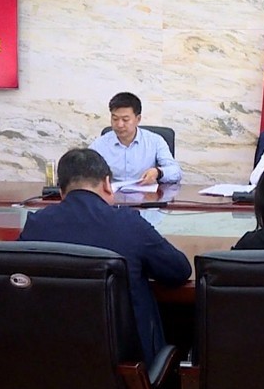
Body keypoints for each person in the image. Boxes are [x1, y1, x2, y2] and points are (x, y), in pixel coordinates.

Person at [18, 148, 191, 365]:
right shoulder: (128, 223)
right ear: (108, 184)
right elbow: (179, 271)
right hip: (127, 370)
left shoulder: (36, 225)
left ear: (61, 191)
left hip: (55, 365)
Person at [89, 92, 182, 184]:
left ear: (138, 119)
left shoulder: (155, 141)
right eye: (115, 119)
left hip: (145, 192)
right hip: (111, 193)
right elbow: (84, 171)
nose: (119, 125)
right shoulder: (100, 144)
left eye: (125, 119)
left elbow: (176, 172)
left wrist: (158, 172)